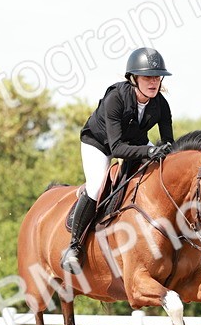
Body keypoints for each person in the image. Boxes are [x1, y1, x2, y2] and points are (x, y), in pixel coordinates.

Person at [61, 47, 176, 274]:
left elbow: (169, 142)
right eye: (147, 77)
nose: (154, 82)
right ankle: (74, 246)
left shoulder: (160, 104)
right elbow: (117, 148)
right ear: (133, 79)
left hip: (135, 143)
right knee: (96, 187)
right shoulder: (116, 97)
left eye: (157, 77)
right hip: (100, 144)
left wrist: (164, 153)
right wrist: (150, 152)